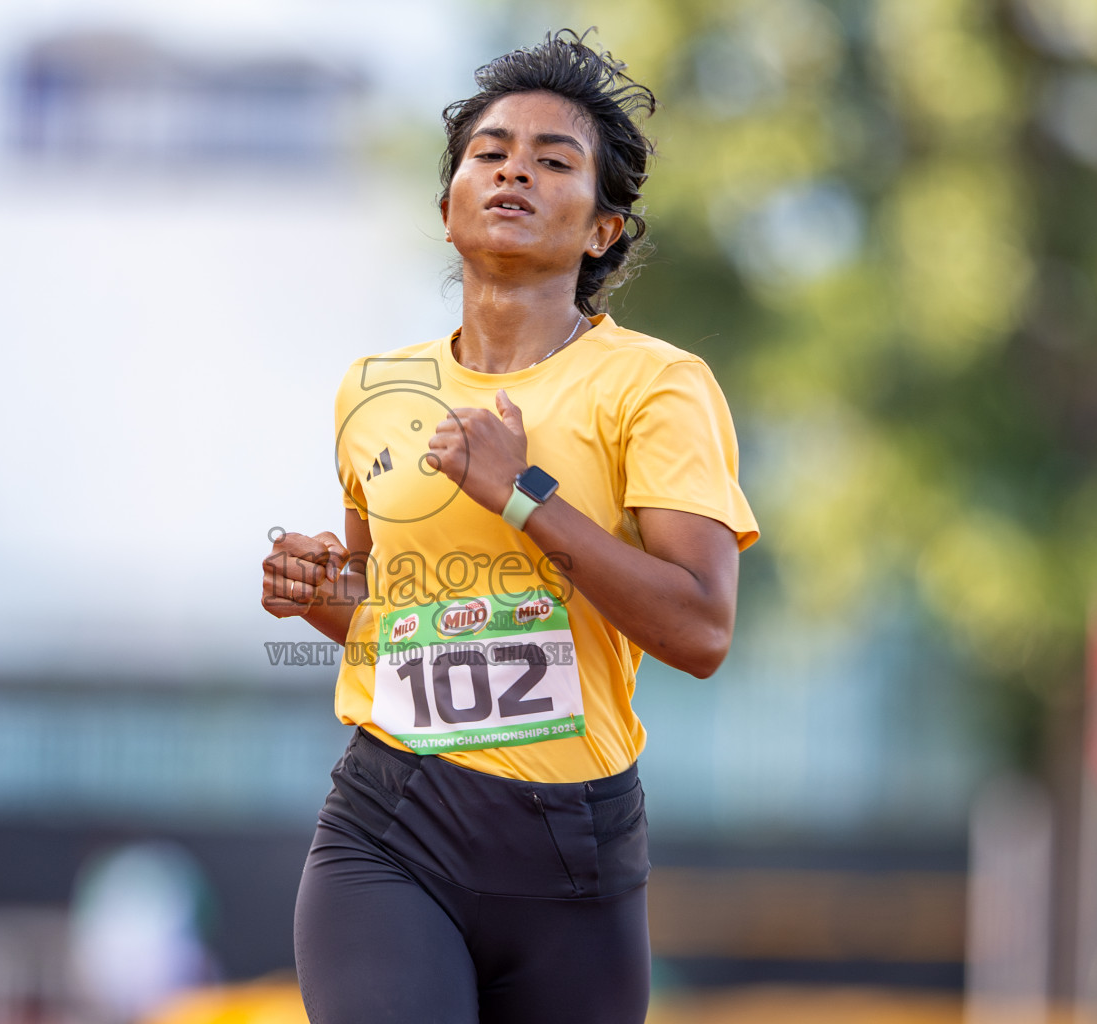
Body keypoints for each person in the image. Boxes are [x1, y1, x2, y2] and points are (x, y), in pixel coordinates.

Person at [261, 29, 759, 1024]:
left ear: (603, 231)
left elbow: (701, 629)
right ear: (448, 205)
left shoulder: (656, 386)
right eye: (489, 154)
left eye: (552, 160)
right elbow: (386, 619)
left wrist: (523, 496)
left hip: (573, 854)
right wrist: (322, 597)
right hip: (391, 825)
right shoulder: (374, 390)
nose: (512, 173)